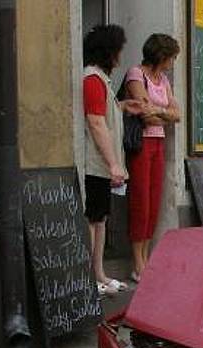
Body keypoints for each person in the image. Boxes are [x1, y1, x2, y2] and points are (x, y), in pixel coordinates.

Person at [83, 24, 147, 296]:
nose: (121, 56)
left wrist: (121, 107)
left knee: (100, 220)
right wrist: (114, 164)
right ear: (109, 52)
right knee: (94, 219)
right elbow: (96, 123)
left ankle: (98, 274)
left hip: (100, 164)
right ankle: (91, 277)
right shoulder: (92, 80)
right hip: (95, 164)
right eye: (118, 50)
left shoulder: (100, 81)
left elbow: (103, 114)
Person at [123, 34, 182, 282]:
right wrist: (163, 113)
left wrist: (159, 112)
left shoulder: (163, 79)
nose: (173, 62)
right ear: (161, 55)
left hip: (158, 142)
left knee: (154, 201)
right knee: (140, 200)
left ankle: (146, 257)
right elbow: (144, 115)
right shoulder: (136, 74)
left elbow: (177, 114)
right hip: (141, 144)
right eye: (171, 57)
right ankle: (137, 262)